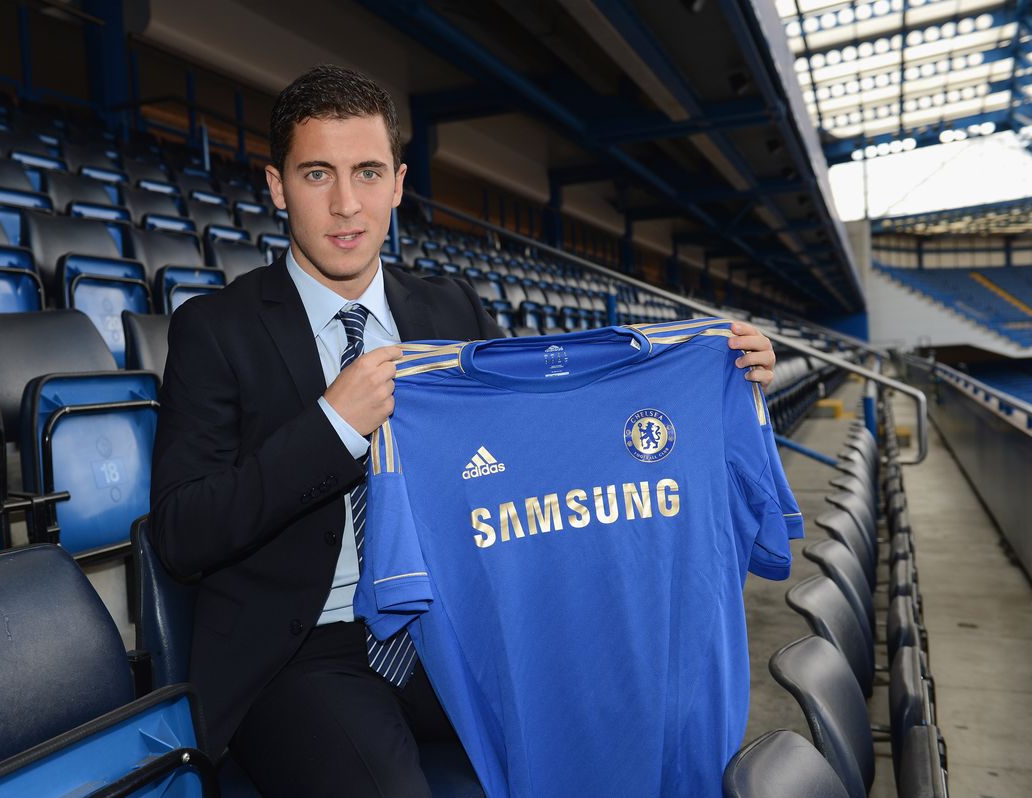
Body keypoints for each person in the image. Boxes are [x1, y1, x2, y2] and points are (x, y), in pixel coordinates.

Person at [149, 64, 778, 797]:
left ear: (399, 183)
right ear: (276, 186)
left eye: (368, 172)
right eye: (317, 174)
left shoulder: (452, 314)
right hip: (306, 652)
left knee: (624, 706)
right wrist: (333, 426)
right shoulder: (215, 330)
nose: (346, 204)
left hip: (457, 628)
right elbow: (182, 533)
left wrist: (716, 381)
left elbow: (550, 447)